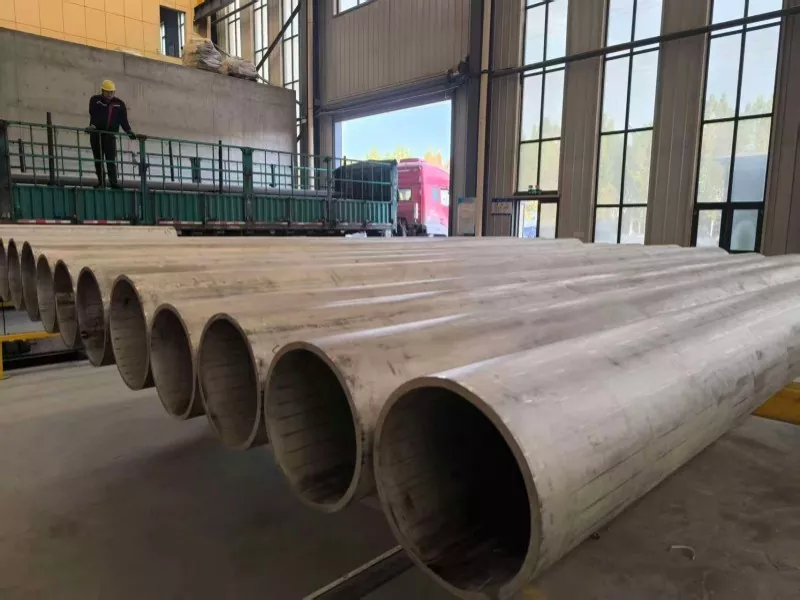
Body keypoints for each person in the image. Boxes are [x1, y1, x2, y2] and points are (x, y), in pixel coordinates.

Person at [87, 80, 136, 188]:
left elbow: (123, 120)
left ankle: (113, 183)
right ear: (102, 91)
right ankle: (101, 182)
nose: (110, 94)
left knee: (111, 160)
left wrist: (128, 131)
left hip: (110, 136)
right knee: (98, 159)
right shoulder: (96, 100)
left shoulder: (119, 104)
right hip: (96, 134)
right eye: (107, 92)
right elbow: (94, 113)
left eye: (112, 92)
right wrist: (93, 126)